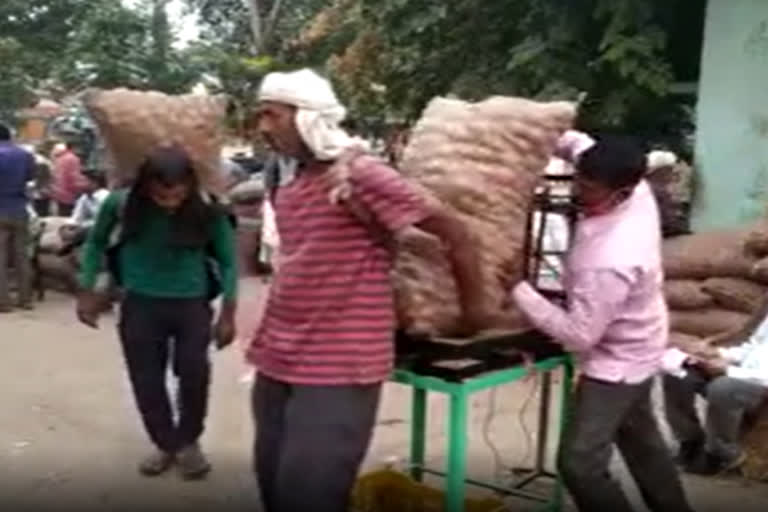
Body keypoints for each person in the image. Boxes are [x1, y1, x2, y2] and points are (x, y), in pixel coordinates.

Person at [247, 68, 491, 512]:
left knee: (310, 496)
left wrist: (475, 311)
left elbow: (453, 230)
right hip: (277, 355)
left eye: (272, 115)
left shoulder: (359, 174)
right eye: (259, 115)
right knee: (273, 487)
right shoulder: (292, 181)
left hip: (339, 362)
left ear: (307, 117)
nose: (262, 127)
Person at [510, 134, 695, 512]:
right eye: (578, 178)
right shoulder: (635, 187)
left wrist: (518, 290)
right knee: (643, 443)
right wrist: (525, 133)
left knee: (579, 463)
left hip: (618, 360)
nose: (578, 189)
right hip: (643, 338)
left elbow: (580, 335)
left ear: (620, 192)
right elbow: (577, 141)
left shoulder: (611, 257)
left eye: (588, 187)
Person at [76, 145, 237, 480]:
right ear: (146, 187)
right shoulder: (120, 204)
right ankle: (165, 443)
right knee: (146, 379)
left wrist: (228, 313)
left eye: (178, 196)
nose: (170, 203)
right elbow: (94, 243)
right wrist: (86, 289)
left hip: (191, 304)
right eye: (161, 197)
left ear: (189, 187)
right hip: (140, 304)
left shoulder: (207, 209)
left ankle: (189, 440)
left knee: (194, 374)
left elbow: (228, 259)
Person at [662, 297, 768, 475]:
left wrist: (728, 370)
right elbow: (753, 347)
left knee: (723, 388)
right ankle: (690, 440)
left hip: (759, 383)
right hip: (740, 371)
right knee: (678, 372)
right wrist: (717, 354)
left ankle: (722, 453)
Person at [0, 124, 35, 312]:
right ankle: (25, 299)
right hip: (20, 208)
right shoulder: (25, 154)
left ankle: (3, 302)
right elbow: (30, 177)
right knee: (22, 256)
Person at [51, 142, 87, 216]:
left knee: (61, 215)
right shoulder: (73, 159)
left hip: (59, 193)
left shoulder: (60, 158)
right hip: (69, 194)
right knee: (69, 217)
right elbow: (73, 177)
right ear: (73, 148)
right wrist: (80, 189)